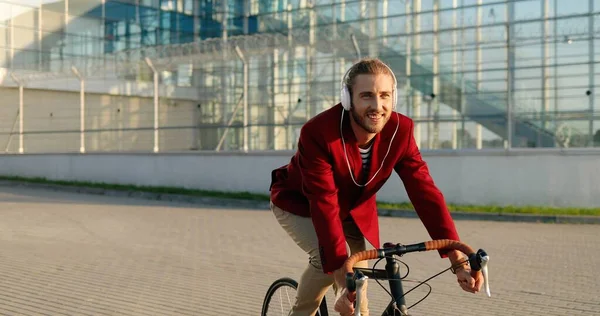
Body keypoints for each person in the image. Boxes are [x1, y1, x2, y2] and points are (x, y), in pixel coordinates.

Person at [268, 57, 483, 316]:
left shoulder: (401, 130)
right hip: (300, 202)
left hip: (352, 208)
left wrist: (457, 258)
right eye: (366, 95)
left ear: (394, 97)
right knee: (325, 263)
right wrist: (339, 279)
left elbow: (425, 193)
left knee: (359, 276)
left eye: (384, 95)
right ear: (348, 99)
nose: (377, 105)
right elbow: (324, 202)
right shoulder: (318, 132)